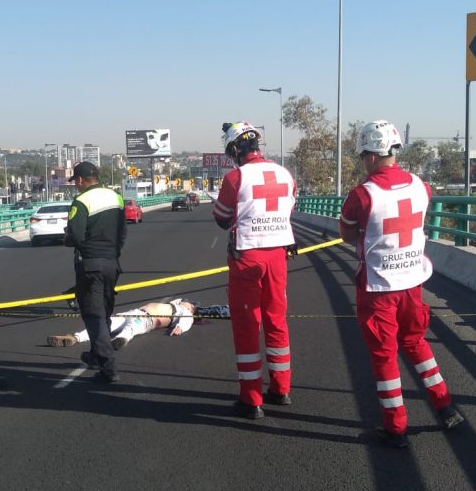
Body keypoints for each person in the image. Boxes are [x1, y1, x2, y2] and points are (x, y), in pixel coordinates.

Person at [338, 120, 465, 448]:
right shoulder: (420, 186)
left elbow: (347, 234)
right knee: (416, 343)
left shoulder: (361, 195)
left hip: (379, 287)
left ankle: (396, 426)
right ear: (394, 150)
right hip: (412, 282)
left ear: (368, 156)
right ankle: (445, 405)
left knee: (384, 355)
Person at [212, 121, 297, 420]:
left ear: (235, 149)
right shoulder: (285, 175)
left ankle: (252, 399)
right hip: (278, 256)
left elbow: (222, 219)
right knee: (277, 321)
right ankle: (281, 389)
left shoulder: (236, 178)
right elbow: (286, 211)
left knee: (248, 325)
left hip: (247, 257)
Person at [64, 161, 127, 383]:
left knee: (93, 314)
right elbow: (122, 233)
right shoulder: (116, 197)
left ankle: (108, 366)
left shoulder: (81, 201)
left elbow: (77, 236)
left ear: (80, 180)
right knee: (104, 312)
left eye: (75, 182)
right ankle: (94, 354)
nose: (75, 186)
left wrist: (66, 238)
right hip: (112, 262)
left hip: (90, 264)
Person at [47, 298, 209, 349]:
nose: (187, 303)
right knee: (105, 324)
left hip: (148, 319)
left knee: (132, 328)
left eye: (190, 304)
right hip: (135, 312)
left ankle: (122, 339)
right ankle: (75, 337)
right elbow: (180, 300)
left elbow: (186, 320)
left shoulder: (185, 312)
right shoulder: (177, 304)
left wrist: (180, 327)